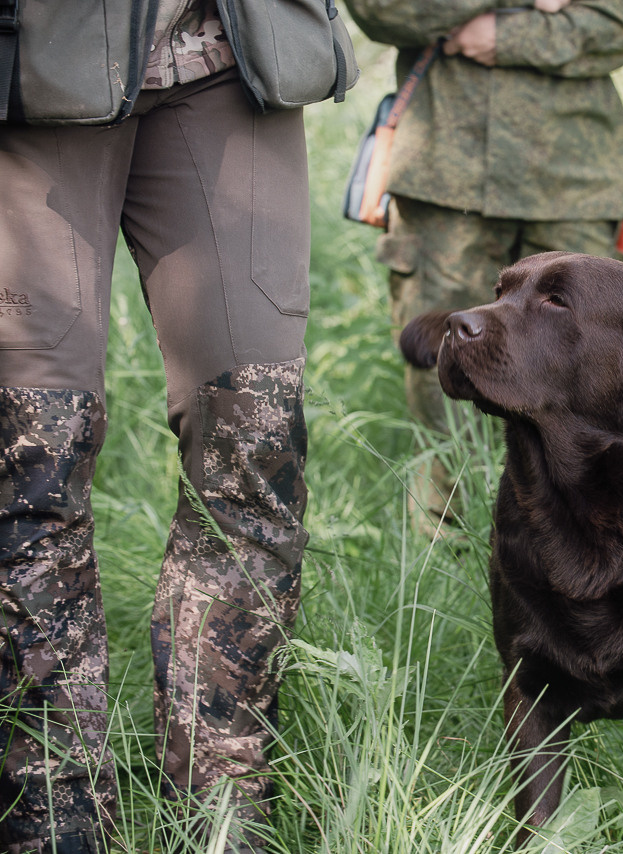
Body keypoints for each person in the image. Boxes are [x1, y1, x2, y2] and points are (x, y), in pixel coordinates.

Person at [0, 2, 355, 852]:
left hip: (231, 55)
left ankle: (225, 810)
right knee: (32, 462)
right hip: (38, 63)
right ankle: (52, 814)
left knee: (256, 447)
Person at [345, 0, 623, 517]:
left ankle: (591, 536)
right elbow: (382, 9)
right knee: (444, 359)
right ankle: (444, 548)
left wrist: (508, 36)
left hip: (573, 180)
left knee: (593, 363)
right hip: (445, 179)